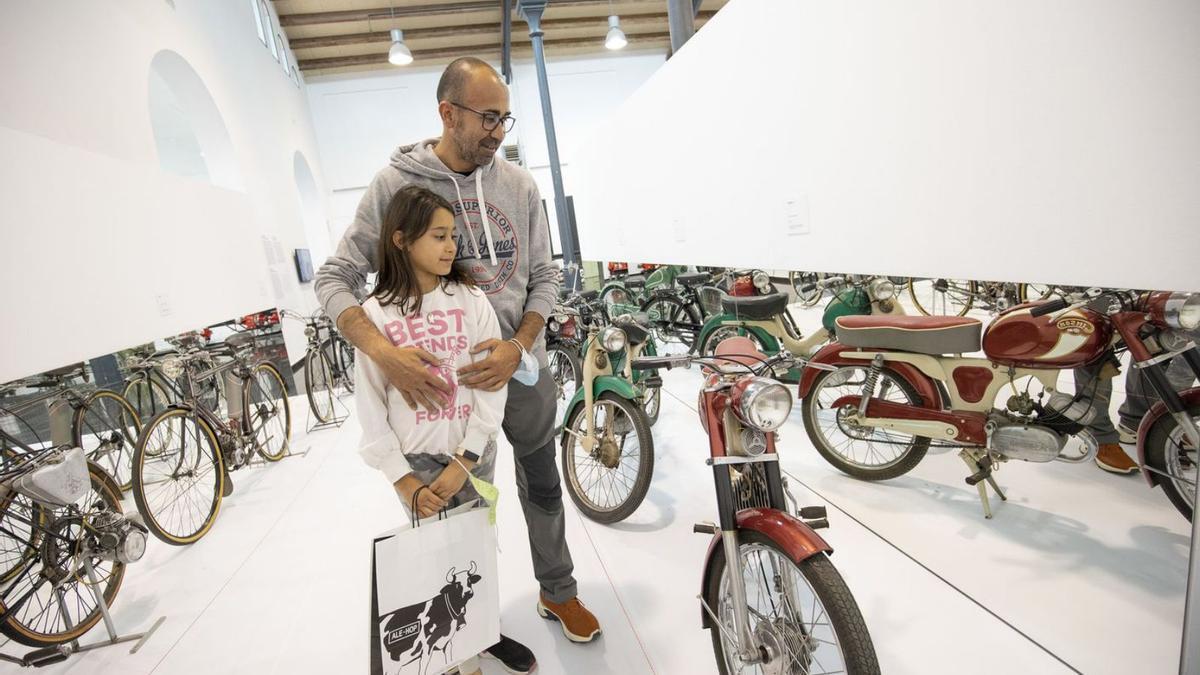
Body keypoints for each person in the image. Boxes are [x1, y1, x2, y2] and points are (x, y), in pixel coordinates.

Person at [316, 57, 601, 669]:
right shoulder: (394, 185)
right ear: (447, 113)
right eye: (488, 117)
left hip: (520, 372)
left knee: (543, 484)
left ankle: (560, 593)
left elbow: (545, 277)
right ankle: (470, 624)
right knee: (459, 510)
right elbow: (335, 278)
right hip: (440, 394)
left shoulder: (519, 186)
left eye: (505, 117)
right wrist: (385, 354)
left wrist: (518, 344)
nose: (498, 131)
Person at [356, 186, 507, 675]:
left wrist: (466, 459)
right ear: (401, 239)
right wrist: (401, 477)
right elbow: (370, 404)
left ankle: (478, 639)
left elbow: (491, 387)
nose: (451, 247)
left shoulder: (469, 299)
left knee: (474, 558)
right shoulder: (376, 314)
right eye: (439, 236)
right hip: (417, 466)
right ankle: (452, 656)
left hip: (473, 457)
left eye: (454, 237)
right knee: (432, 561)